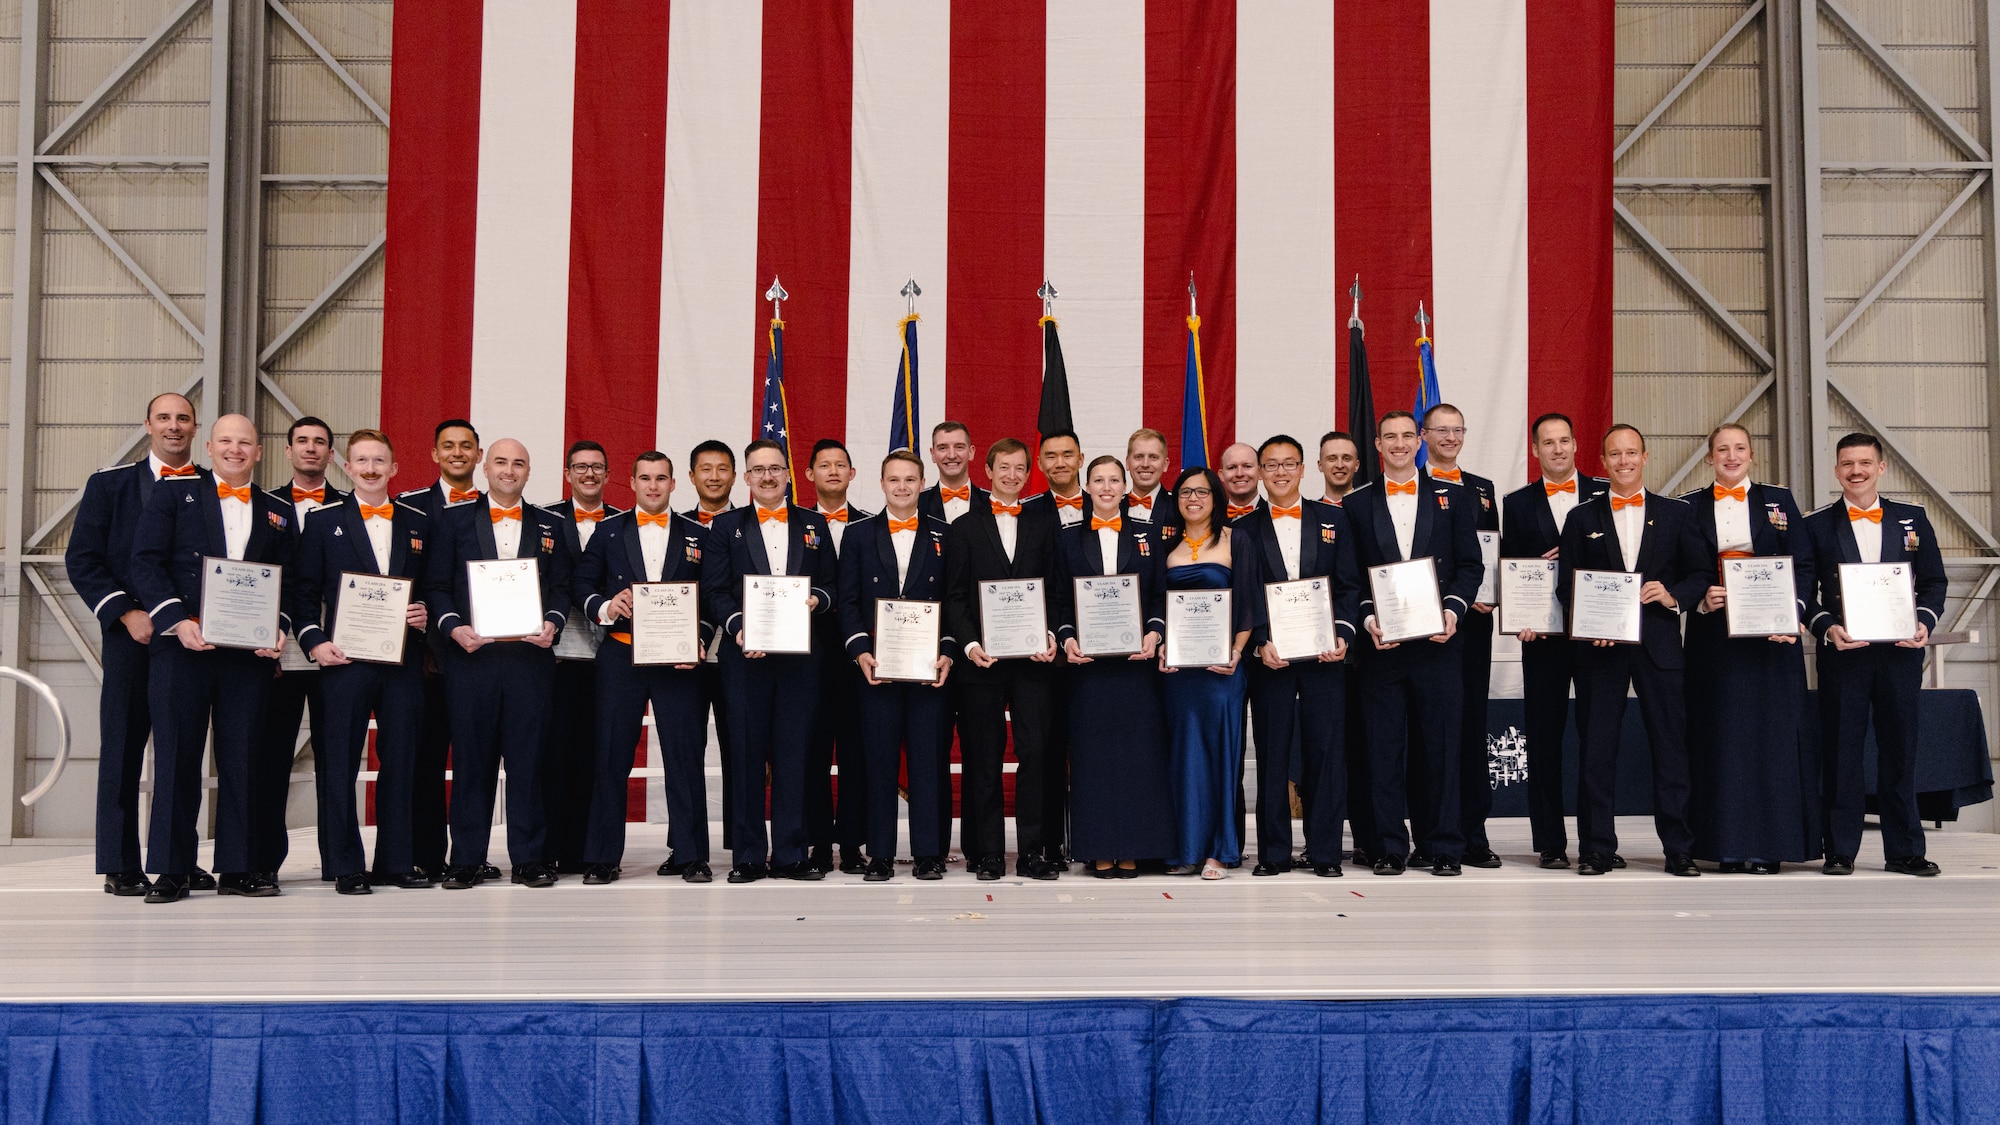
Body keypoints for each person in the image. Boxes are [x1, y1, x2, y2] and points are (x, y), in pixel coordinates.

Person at [130, 413, 294, 903]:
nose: (235, 450)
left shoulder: (277, 510)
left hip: (248, 657)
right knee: (178, 757)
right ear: (209, 446)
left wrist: (279, 628)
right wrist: (178, 620)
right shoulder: (173, 494)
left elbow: (293, 578)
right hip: (184, 648)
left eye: (245, 443)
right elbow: (145, 561)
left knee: (244, 759)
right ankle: (173, 869)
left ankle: (240, 868)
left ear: (259, 451)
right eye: (226, 441)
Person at [65, 392, 216, 897]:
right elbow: (83, 559)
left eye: (184, 419)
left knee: (182, 753)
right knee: (124, 748)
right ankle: (119, 862)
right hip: (131, 637)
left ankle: (178, 859)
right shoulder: (110, 485)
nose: (174, 427)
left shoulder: (213, 489)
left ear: (196, 429)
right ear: (147, 424)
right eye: (165, 418)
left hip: (188, 639)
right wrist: (126, 612)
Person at [1557, 424, 1711, 877]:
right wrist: (1589, 624)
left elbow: (1700, 572)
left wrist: (1673, 596)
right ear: (1602, 462)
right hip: (1600, 650)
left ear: (1646, 457)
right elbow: (1568, 585)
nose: (1623, 462)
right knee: (1596, 751)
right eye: (1614, 455)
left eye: (1631, 453)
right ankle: (1596, 849)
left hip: (1659, 645)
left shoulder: (1676, 513)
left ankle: (1679, 848)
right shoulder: (1581, 518)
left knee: (1670, 749)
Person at [286, 429, 431, 894]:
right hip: (343, 659)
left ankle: (396, 860)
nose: (370, 469)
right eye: (361, 461)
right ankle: (345, 864)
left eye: (379, 461)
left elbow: (432, 584)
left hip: (402, 660)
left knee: (402, 759)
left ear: (394, 469)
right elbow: (303, 593)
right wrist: (313, 642)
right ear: (346, 467)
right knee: (339, 763)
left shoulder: (418, 521)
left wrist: (425, 612)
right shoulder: (323, 521)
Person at [424, 438, 571, 889]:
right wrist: (453, 628)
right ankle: (466, 860)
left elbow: (563, 587)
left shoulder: (551, 523)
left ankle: (529, 859)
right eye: (502, 462)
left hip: (530, 659)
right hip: (473, 659)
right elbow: (435, 585)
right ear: (486, 467)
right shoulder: (452, 520)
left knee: (529, 761)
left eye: (519, 464)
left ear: (529, 472)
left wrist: (552, 622)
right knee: (472, 760)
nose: (509, 470)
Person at [1341, 411, 1482, 876]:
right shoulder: (1357, 505)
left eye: (1407, 436)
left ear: (1420, 441)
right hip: (1382, 649)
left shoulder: (1457, 498)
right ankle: (1387, 846)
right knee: (1383, 749)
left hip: (1439, 643)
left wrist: (1454, 609)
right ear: (1377, 445)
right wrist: (1366, 620)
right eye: (1390, 437)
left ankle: (1442, 844)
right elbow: (1350, 578)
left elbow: (1470, 566)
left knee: (1439, 748)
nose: (1399, 444)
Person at [1803, 432, 1948, 877]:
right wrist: (1828, 628)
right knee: (1841, 753)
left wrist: (1923, 621)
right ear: (1837, 470)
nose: (1856, 471)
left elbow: (1935, 583)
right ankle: (1840, 850)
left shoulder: (1913, 519)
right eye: (1847, 464)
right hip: (1844, 654)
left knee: (1900, 752)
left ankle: (1905, 850)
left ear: (1881, 467)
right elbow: (1804, 593)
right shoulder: (1816, 525)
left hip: (1901, 654)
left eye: (1865, 463)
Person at [571, 451, 713, 883]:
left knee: (684, 757)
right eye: (645, 478)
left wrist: (700, 638)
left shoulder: (697, 534)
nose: (653, 486)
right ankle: (601, 856)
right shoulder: (607, 531)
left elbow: (711, 594)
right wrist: (605, 606)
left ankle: (691, 855)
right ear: (630, 482)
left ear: (674, 484)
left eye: (661, 478)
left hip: (678, 659)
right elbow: (582, 582)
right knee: (611, 755)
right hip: (621, 654)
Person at [701, 439, 839, 883]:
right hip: (745, 657)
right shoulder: (725, 527)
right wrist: (741, 627)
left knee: (794, 754)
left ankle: (790, 854)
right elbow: (714, 591)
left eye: (775, 469)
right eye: (757, 470)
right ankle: (746, 855)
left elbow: (834, 587)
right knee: (744, 754)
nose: (766, 476)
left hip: (801, 661)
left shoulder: (815, 524)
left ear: (788, 475)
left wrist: (816, 599)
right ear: (746, 477)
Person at [1681, 424, 1815, 874]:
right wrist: (1701, 595)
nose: (1731, 456)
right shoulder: (1689, 506)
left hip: (1772, 641)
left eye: (1739, 449)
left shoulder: (1780, 500)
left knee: (1771, 740)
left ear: (1752, 455)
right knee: (1721, 740)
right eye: (1722, 449)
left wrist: (1791, 614)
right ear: (1709, 457)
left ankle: (1770, 846)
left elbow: (1806, 563)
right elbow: (1680, 565)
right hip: (1713, 641)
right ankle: (1724, 846)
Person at [1238, 436, 1361, 877]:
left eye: (1289, 464)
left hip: (1325, 656)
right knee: (1271, 754)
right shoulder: (1244, 528)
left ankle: (1326, 853)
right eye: (1271, 465)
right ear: (1260, 473)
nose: (1281, 472)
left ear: (1304, 468)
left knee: (1326, 754)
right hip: (1271, 658)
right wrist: (1258, 643)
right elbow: (1244, 597)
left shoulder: (1334, 519)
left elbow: (1349, 585)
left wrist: (1344, 632)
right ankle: (1273, 854)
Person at [943, 437, 1064, 880]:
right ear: (988, 472)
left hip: (1033, 662)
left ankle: (1032, 851)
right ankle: (989, 852)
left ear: (1026, 474)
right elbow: (954, 598)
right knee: (983, 756)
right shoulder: (963, 527)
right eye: (1003, 468)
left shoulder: (1043, 525)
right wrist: (972, 645)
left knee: (1035, 754)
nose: (1011, 475)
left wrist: (1050, 635)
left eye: (1019, 469)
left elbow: (1054, 590)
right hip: (983, 664)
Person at [838, 450, 956, 881]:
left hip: (929, 669)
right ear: (882, 483)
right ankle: (881, 854)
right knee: (879, 762)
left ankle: (928, 854)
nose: (902, 487)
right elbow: (848, 601)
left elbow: (953, 600)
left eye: (910, 480)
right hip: (877, 668)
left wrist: (947, 650)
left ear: (923, 482)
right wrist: (860, 650)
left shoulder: (947, 533)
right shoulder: (858, 534)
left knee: (928, 762)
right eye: (894, 480)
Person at [1501, 412, 1609, 869]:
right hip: (1541, 635)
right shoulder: (1517, 502)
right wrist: (1518, 614)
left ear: (1576, 444)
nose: (1558, 449)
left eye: (1565, 440)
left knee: (1596, 740)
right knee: (1543, 738)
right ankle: (1549, 842)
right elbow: (1511, 564)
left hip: (1596, 634)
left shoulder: (1605, 492)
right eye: (1548, 443)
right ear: (1535, 450)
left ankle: (1597, 843)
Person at [1053, 456, 1169, 878]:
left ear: (1125, 487)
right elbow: (1060, 601)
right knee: (1093, 758)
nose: (1106, 487)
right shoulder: (1067, 538)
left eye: (1113, 480)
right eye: (1098, 480)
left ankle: (1134, 845)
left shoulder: (1149, 534)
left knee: (1138, 757)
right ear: (1087, 486)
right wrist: (1067, 639)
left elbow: (1159, 595)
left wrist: (1154, 634)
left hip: (1136, 668)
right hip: (1088, 670)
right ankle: (1099, 846)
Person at [1159, 467, 1263, 879]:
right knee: (1183, 755)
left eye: (1202, 491)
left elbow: (1250, 601)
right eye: (1186, 492)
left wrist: (1237, 652)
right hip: (1180, 673)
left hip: (1223, 669)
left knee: (1221, 755)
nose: (1194, 498)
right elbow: (1157, 609)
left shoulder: (1237, 539)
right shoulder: (1166, 546)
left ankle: (1218, 850)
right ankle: (1185, 848)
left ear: (1216, 498)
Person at [257, 415, 348, 883]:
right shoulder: (261, 505)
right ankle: (265, 865)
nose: (311, 449)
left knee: (337, 761)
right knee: (271, 758)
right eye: (302, 442)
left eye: (320, 443)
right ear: (288, 451)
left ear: (332, 455)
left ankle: (340, 863)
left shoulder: (352, 508)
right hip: (275, 650)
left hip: (337, 648)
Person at [395, 418, 486, 881]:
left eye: (466, 446)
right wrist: (426, 644)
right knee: (427, 757)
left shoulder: (497, 510)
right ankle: (426, 856)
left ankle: (471, 854)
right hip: (422, 657)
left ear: (478, 454)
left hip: (478, 654)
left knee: (476, 756)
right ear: (434, 453)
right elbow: (405, 578)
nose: (457, 453)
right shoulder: (409, 509)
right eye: (448, 446)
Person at [1417, 404, 1502, 869]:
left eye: (1457, 430)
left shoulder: (1482, 489)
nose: (1450, 438)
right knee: (1428, 730)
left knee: (1470, 727)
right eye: (1441, 430)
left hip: (1473, 623)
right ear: (1423, 435)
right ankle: (1428, 834)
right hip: (1422, 626)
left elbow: (1487, 552)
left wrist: (1492, 592)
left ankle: (1474, 833)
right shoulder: (1411, 488)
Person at [542, 439, 621, 875]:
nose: (589, 475)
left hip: (613, 657)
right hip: (560, 654)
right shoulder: (546, 520)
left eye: (597, 467)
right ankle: (555, 847)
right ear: (568, 473)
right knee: (556, 755)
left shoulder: (623, 523)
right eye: (580, 467)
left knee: (600, 755)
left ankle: (591, 850)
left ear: (609, 476)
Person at [804, 438, 871, 874]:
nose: (832, 471)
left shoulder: (870, 525)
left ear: (852, 474)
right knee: (810, 749)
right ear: (808, 474)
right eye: (823, 465)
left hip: (861, 654)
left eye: (840, 465)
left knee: (856, 749)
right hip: (805, 652)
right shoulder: (794, 523)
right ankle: (816, 843)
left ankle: (852, 842)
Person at [684, 439, 739, 849]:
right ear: (691, 477)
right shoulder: (676, 525)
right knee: (685, 749)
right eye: (706, 469)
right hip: (682, 657)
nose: (714, 477)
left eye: (722, 469)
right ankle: (686, 847)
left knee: (741, 748)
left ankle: (743, 843)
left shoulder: (753, 526)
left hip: (738, 653)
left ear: (735, 476)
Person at [920, 421, 987, 524]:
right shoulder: (917, 503)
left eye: (959, 447)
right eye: (943, 448)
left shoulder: (990, 502)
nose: (951, 455)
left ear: (971, 452)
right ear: (933, 454)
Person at [1121, 428, 1182, 539]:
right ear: (1128, 463)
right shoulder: (1113, 507)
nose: (1145, 464)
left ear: (1165, 464)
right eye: (1139, 457)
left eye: (1153, 457)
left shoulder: (1179, 507)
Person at [1028, 431, 1087, 528]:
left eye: (1067, 456)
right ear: (1040, 463)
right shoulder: (1027, 511)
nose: (1060, 464)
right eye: (1051, 457)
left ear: (1080, 460)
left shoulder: (1103, 506)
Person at [1219, 442, 1263, 521]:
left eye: (1247, 466)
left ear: (1260, 472)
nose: (1239, 474)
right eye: (1232, 467)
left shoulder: (1273, 516)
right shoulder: (1210, 519)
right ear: (1222, 475)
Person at [1317, 431, 1363, 506]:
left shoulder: (1373, 512)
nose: (1339, 465)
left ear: (1356, 465)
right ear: (1320, 465)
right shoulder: (1308, 515)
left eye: (1346, 458)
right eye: (1332, 459)